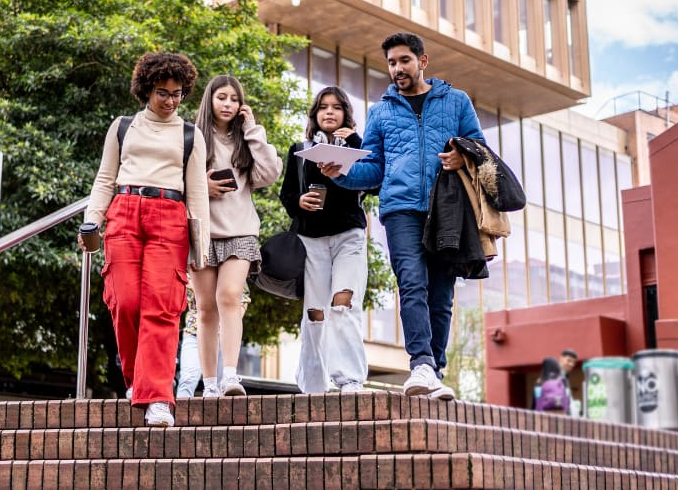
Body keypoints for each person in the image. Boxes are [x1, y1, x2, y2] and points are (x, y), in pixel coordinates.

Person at [321, 32, 484, 401]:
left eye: (404, 61)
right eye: (392, 62)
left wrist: (463, 157)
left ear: (422, 61)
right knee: (412, 282)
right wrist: (342, 174)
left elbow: (480, 149)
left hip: (447, 209)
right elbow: (374, 170)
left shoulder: (456, 102)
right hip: (399, 209)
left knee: (441, 295)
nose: (397, 69)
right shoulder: (380, 112)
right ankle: (421, 363)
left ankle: (435, 372)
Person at [80, 51, 209, 427]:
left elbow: (197, 193)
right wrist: (92, 221)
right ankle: (139, 381)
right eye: (162, 92)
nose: (170, 100)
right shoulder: (123, 126)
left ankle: (157, 399)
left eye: (178, 93)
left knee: (161, 307)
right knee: (125, 302)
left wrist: (201, 248)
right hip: (124, 209)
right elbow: (105, 178)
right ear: (145, 90)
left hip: (170, 216)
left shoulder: (190, 134)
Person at [191, 75, 282, 397]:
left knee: (229, 296)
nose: (227, 104)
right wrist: (204, 185)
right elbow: (174, 181)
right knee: (205, 309)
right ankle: (211, 383)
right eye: (221, 98)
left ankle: (231, 375)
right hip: (200, 232)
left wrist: (253, 129)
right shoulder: (192, 136)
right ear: (210, 101)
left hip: (240, 229)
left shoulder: (246, 138)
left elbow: (270, 173)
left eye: (233, 99)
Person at [279, 86, 369, 394]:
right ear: (315, 115)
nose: (329, 112)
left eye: (336, 107)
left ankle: (350, 379)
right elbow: (287, 193)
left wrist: (354, 140)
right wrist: (299, 202)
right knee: (315, 312)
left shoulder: (357, 145)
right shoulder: (299, 149)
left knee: (343, 303)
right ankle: (314, 385)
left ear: (345, 113)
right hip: (310, 238)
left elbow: (371, 182)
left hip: (349, 235)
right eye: (323, 107)